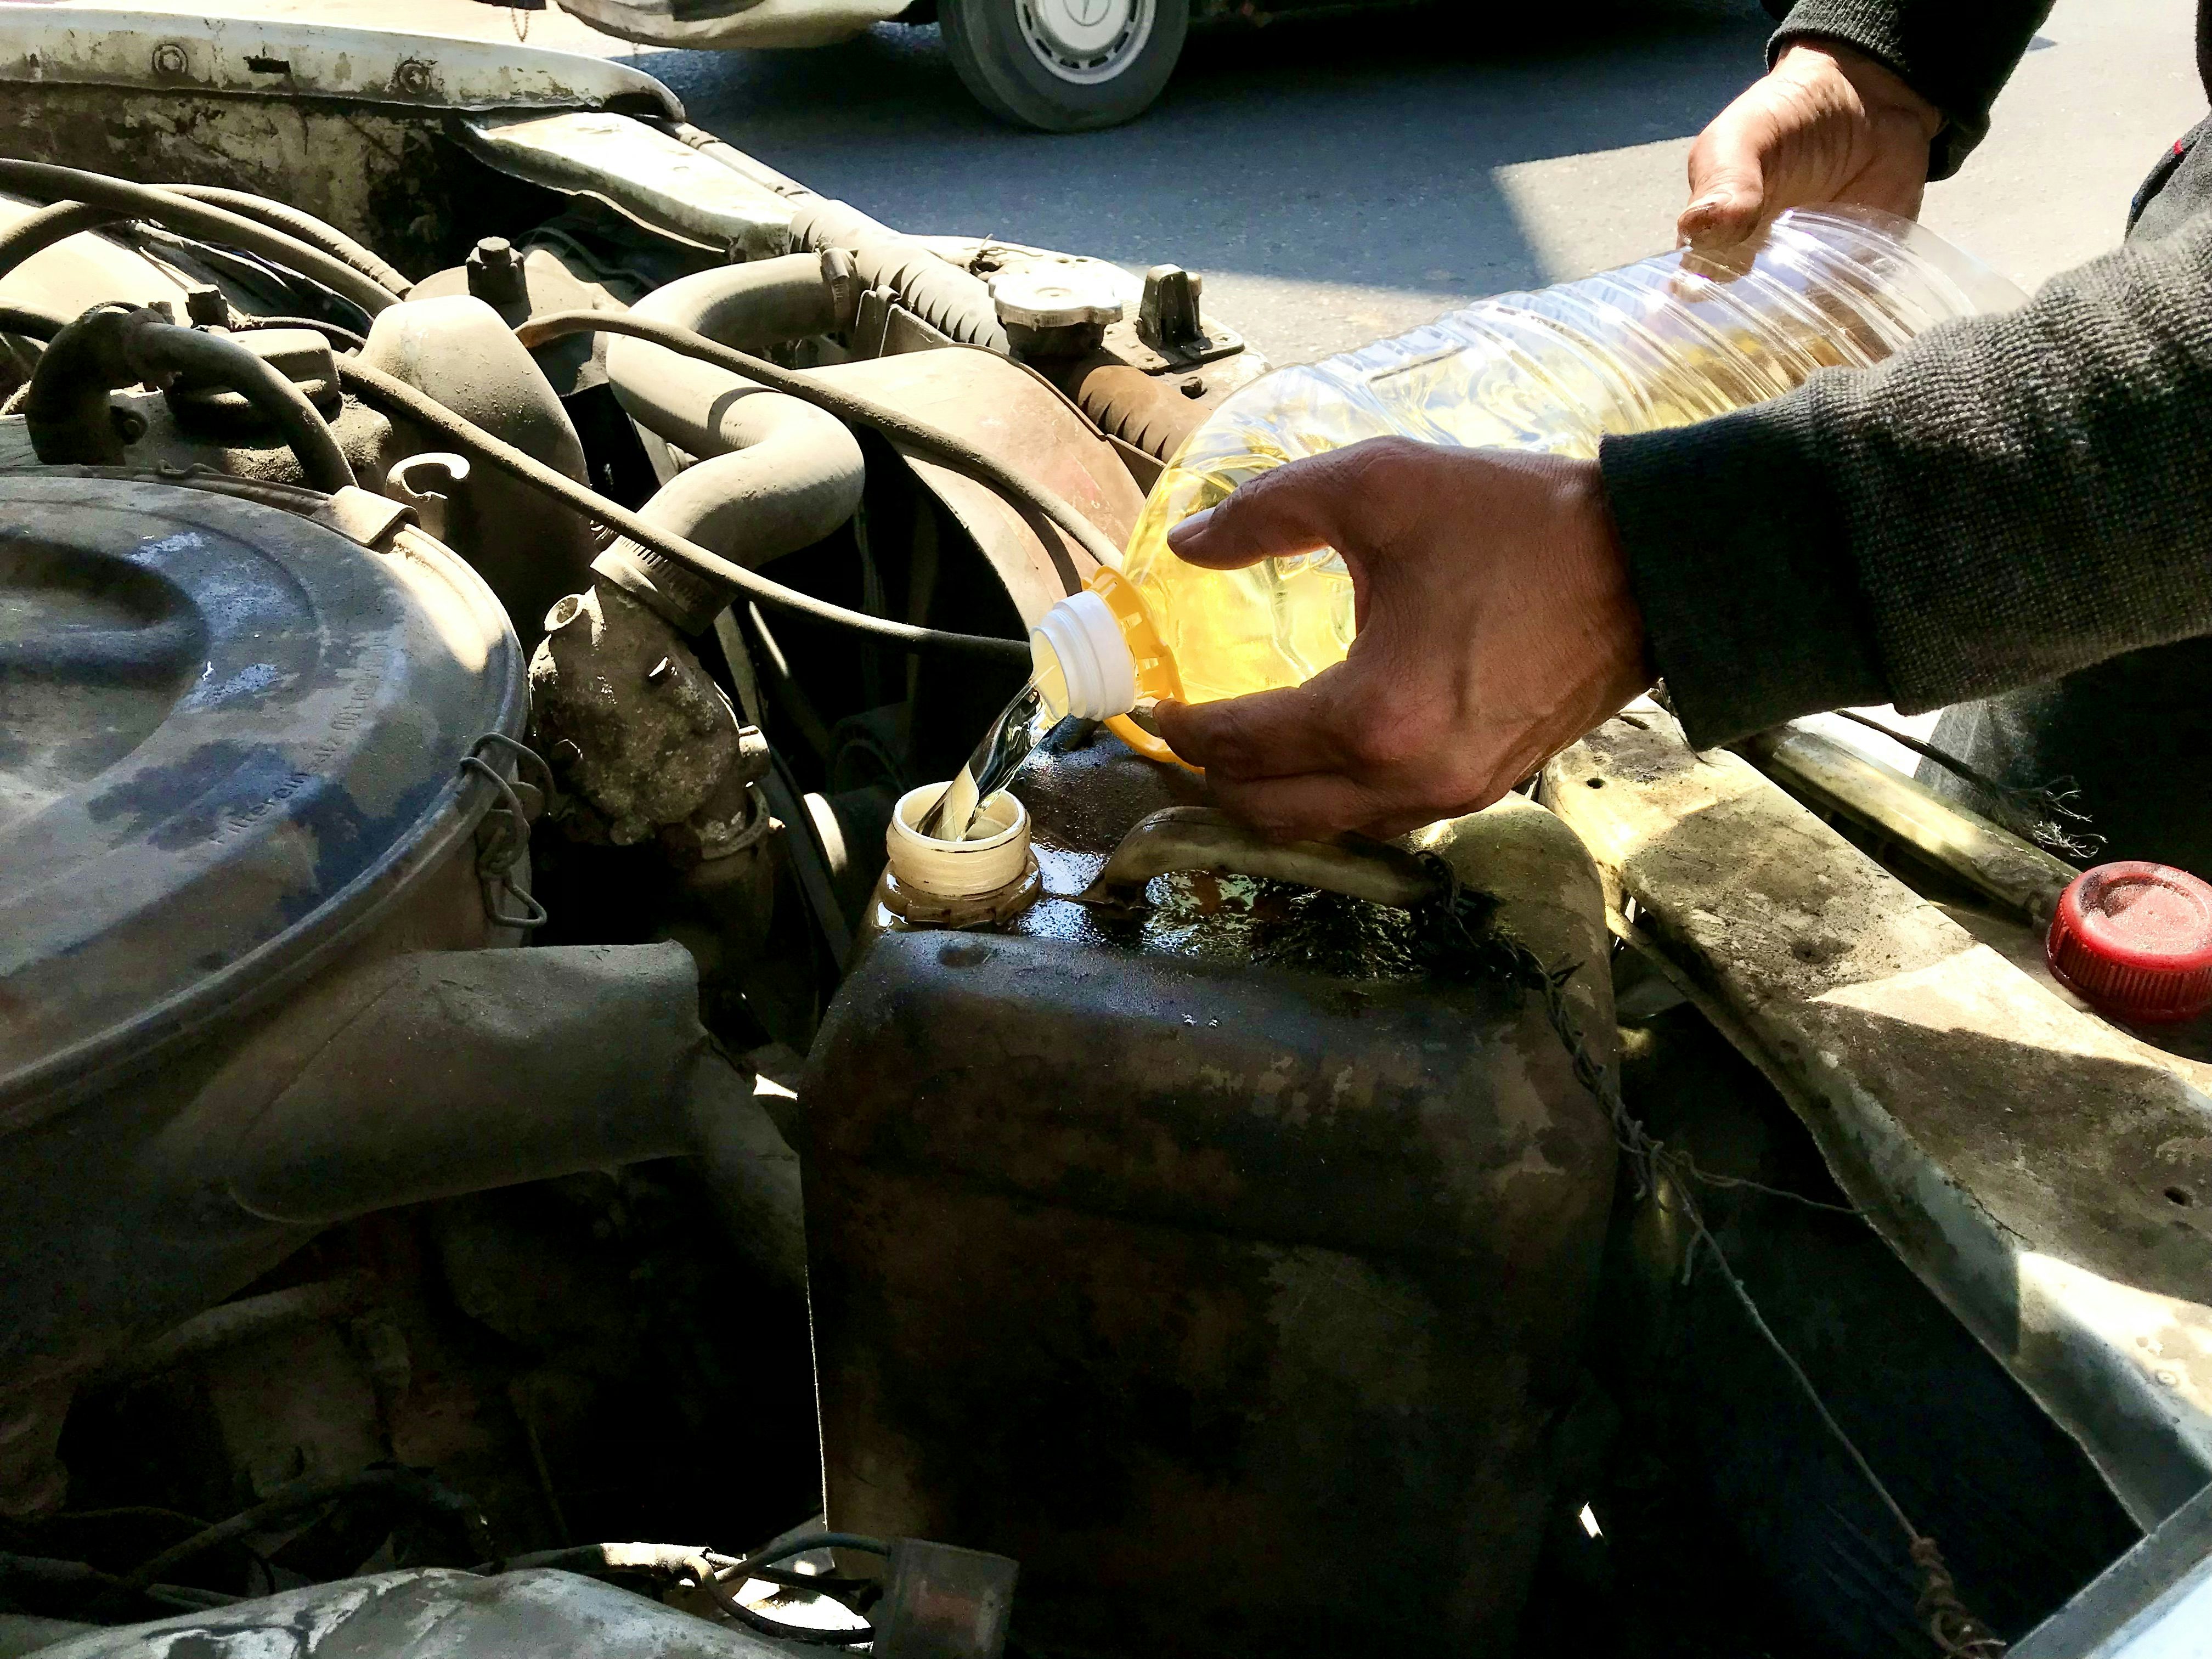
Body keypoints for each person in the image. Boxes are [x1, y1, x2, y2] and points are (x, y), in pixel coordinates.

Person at [1153, 1, 2212, 873]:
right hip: (2123, 500)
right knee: (2009, 876)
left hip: (2147, 451)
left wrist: (1654, 569)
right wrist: (1888, 55)